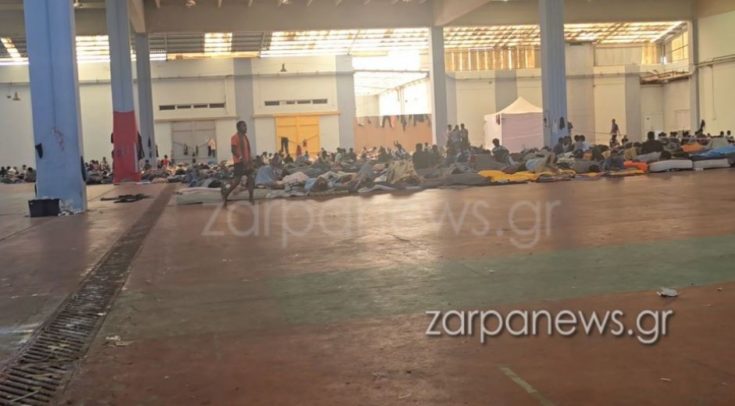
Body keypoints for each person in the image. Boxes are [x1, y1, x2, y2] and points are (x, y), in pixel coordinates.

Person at [222, 120, 254, 206]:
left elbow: (248, 151)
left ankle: (251, 198)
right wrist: (241, 158)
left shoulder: (245, 137)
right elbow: (233, 150)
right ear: (238, 128)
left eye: (245, 126)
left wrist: (250, 160)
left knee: (251, 178)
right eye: (243, 126)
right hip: (239, 163)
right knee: (237, 181)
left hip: (247, 162)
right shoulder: (235, 137)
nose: (245, 128)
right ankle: (225, 195)